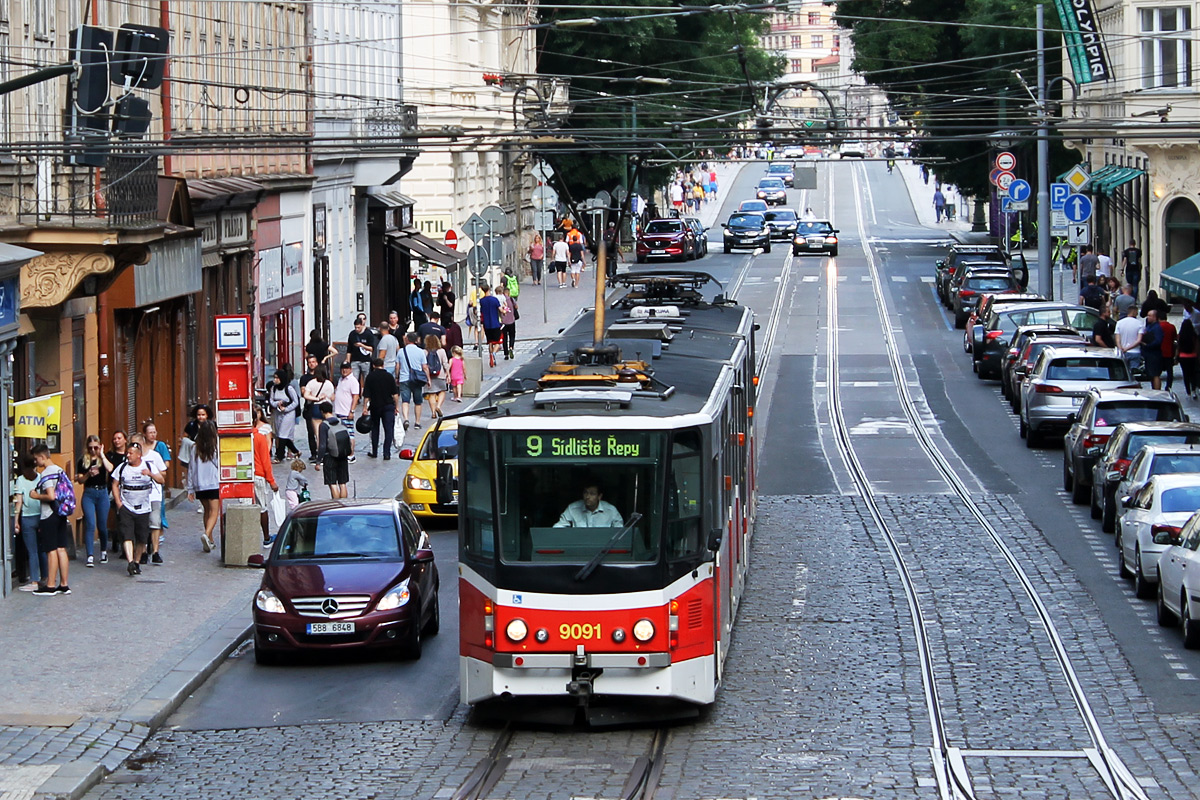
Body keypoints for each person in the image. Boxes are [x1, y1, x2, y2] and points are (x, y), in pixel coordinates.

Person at [109, 441, 161, 577]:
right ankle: (130, 561)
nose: (128, 455)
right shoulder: (122, 468)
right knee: (127, 535)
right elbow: (114, 484)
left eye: (131, 453)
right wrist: (118, 502)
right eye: (128, 452)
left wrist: (150, 474)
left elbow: (161, 480)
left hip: (143, 508)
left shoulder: (148, 466)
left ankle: (137, 561)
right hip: (127, 507)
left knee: (142, 538)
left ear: (139, 455)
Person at [75, 435, 113, 568]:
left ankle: (103, 551)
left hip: (102, 493)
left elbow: (110, 469)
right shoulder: (83, 461)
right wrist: (88, 474)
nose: (93, 450)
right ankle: (90, 555)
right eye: (90, 448)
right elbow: (79, 480)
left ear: (100, 446)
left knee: (102, 525)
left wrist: (102, 455)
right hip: (89, 493)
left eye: (95, 447)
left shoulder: (103, 459)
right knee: (90, 524)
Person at [186, 421, 221, 555]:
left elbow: (191, 468)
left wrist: (190, 488)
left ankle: (210, 539)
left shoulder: (195, 447)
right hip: (213, 483)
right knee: (214, 512)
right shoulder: (216, 446)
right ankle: (206, 534)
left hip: (199, 484)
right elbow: (219, 464)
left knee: (207, 511)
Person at [135, 429, 168, 564]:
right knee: (142, 525)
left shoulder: (153, 456)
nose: (134, 448)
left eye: (137, 444)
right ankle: (142, 551)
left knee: (155, 523)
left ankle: (155, 551)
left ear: (142, 443)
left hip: (153, 495)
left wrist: (151, 474)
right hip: (138, 497)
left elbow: (162, 476)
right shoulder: (130, 459)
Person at [13, 457, 45, 591]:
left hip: (27, 518)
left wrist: (16, 520)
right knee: (42, 549)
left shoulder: (20, 479)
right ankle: (46, 577)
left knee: (32, 551)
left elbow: (18, 502)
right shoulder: (41, 478)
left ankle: (34, 581)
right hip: (41, 516)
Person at [363, 357, 400, 460]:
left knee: (375, 429)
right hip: (388, 406)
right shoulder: (389, 376)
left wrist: (365, 408)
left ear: (374, 366)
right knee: (389, 429)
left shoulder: (370, 377)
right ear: (383, 365)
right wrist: (396, 407)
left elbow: (367, 395)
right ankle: (386, 453)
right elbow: (395, 394)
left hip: (375, 406)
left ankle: (374, 451)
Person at [251, 418, 279, 546]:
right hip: (258, 475)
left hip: (242, 477)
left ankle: (247, 537)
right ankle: (266, 538)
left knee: (246, 506)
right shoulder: (259, 437)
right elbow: (265, 461)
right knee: (262, 507)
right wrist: (271, 481)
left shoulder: (239, 438)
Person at [316, 402, 351, 499]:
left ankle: (336, 504)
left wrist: (318, 461)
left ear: (322, 412)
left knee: (332, 483)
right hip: (342, 455)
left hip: (330, 456)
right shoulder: (340, 422)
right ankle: (345, 503)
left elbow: (322, 445)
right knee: (342, 483)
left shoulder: (324, 425)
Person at [553, 482, 623, 527]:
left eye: (592, 494)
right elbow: (559, 527)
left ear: (599, 496)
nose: (587, 497)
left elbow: (620, 532)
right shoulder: (572, 508)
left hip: (603, 547)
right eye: (585, 493)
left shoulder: (611, 510)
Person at [143, 421, 171, 531]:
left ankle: (159, 530)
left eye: (154, 432)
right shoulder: (142, 447)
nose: (153, 435)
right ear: (145, 434)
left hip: (156, 482)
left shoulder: (160, 445)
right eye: (150, 432)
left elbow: (167, 463)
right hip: (143, 482)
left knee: (159, 508)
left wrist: (156, 469)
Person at [268, 369, 301, 462]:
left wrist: (286, 408)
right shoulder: (273, 389)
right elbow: (271, 400)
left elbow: (295, 402)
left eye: (277, 378)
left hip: (288, 414)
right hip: (278, 413)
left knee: (283, 433)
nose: (275, 380)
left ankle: (279, 455)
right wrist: (277, 404)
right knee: (281, 434)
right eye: (274, 378)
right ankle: (296, 451)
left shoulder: (289, 389)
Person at [332, 361, 359, 462]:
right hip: (339, 412)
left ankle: (351, 455)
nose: (344, 370)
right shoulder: (340, 379)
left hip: (346, 412)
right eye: (343, 368)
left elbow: (355, 396)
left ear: (350, 369)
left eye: (347, 368)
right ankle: (343, 452)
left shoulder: (352, 381)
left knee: (350, 433)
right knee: (341, 434)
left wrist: (352, 411)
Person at [400, 332, 428, 431]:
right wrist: (428, 379)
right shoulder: (420, 351)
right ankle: (417, 422)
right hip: (417, 379)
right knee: (418, 402)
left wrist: (397, 376)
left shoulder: (401, 351)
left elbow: (397, 366)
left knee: (405, 401)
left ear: (407, 339)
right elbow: (424, 367)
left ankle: (406, 419)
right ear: (416, 340)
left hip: (404, 378)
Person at [1134, 308, 1165, 390]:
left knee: (1155, 374)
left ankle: (1157, 391)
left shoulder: (1157, 328)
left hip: (1154, 354)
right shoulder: (1149, 326)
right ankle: (1154, 389)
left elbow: (1158, 341)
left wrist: (1147, 345)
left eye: (1150, 316)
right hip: (1149, 354)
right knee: (1151, 374)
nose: (1148, 317)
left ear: (1155, 317)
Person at [297, 355, 321, 458]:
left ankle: (322, 450)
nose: (312, 364)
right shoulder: (304, 378)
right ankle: (313, 453)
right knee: (310, 431)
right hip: (309, 407)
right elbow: (303, 392)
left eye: (313, 362)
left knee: (321, 430)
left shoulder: (321, 376)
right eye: (310, 362)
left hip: (320, 406)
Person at [423, 334, 448, 418]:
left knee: (431, 394)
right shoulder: (441, 351)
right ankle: (438, 406)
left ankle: (433, 413)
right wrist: (448, 374)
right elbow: (445, 363)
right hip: (440, 374)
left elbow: (423, 365)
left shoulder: (424, 352)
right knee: (442, 391)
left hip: (429, 375)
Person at [478, 284, 503, 368]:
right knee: (498, 343)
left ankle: (490, 356)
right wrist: (505, 311)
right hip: (495, 323)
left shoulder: (481, 301)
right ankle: (494, 354)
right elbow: (500, 310)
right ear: (489, 289)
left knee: (490, 342)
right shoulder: (494, 299)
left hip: (487, 324)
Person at [346, 317, 376, 387]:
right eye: (356, 327)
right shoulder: (352, 334)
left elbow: (371, 348)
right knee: (354, 380)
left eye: (358, 327)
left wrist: (362, 345)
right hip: (354, 360)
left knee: (366, 380)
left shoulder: (368, 334)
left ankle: (366, 395)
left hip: (365, 360)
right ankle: (356, 395)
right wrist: (348, 360)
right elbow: (349, 349)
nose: (357, 329)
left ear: (362, 325)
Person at [1116, 305, 1145, 375]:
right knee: (1133, 373)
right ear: (1135, 312)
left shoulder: (1119, 323)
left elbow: (1117, 339)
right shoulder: (1139, 324)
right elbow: (1139, 340)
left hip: (1122, 352)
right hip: (1135, 351)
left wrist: (1121, 348)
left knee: (1123, 373)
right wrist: (1128, 348)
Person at [1179, 317, 1199, 398]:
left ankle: (1188, 391)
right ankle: (1194, 389)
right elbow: (1197, 346)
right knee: (1193, 374)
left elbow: (1178, 347)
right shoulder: (1194, 335)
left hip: (1183, 356)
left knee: (1185, 374)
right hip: (1192, 356)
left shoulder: (1181, 335)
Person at [500, 282, 518, 359]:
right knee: (512, 335)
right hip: (511, 321)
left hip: (503, 322)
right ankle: (511, 347)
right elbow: (516, 307)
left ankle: (506, 354)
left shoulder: (500, 300)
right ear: (508, 292)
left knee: (504, 338)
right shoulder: (511, 299)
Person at [1161, 313, 1178, 390]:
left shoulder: (1157, 326)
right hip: (1169, 351)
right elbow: (1175, 338)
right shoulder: (1171, 327)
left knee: (1156, 371)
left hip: (1159, 352)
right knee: (1169, 371)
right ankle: (1168, 386)